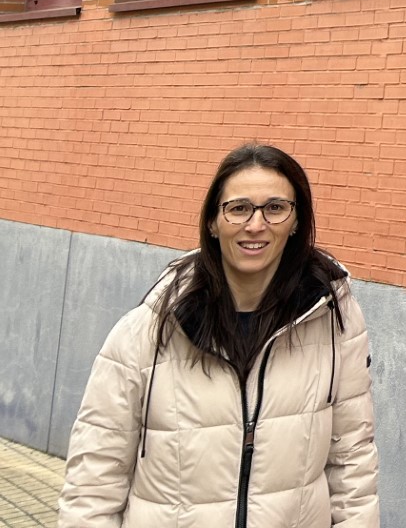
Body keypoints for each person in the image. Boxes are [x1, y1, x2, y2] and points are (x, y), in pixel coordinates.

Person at [58, 144, 379, 528]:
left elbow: (351, 462)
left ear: (296, 222)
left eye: (275, 208)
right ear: (213, 221)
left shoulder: (332, 321)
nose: (256, 225)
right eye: (239, 208)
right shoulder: (151, 328)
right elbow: (94, 478)